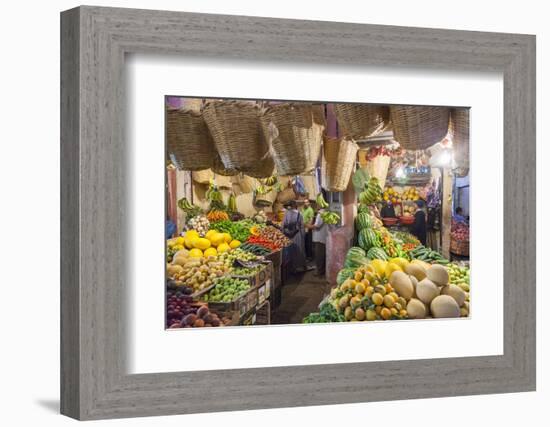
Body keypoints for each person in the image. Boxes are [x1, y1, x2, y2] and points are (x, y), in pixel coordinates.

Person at [282, 200, 310, 273]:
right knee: (300, 250)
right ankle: (303, 266)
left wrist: (285, 233)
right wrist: (303, 236)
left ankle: (293, 268)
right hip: (297, 235)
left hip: (289, 235)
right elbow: (301, 226)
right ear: (296, 206)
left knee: (292, 251)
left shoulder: (286, 213)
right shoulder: (299, 214)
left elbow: (283, 225)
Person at [308, 208, 328, 276]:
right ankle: (322, 270)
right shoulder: (327, 211)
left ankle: (319, 271)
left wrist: (307, 226)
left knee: (319, 255)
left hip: (320, 238)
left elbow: (317, 225)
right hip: (324, 237)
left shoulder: (321, 213)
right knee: (323, 255)